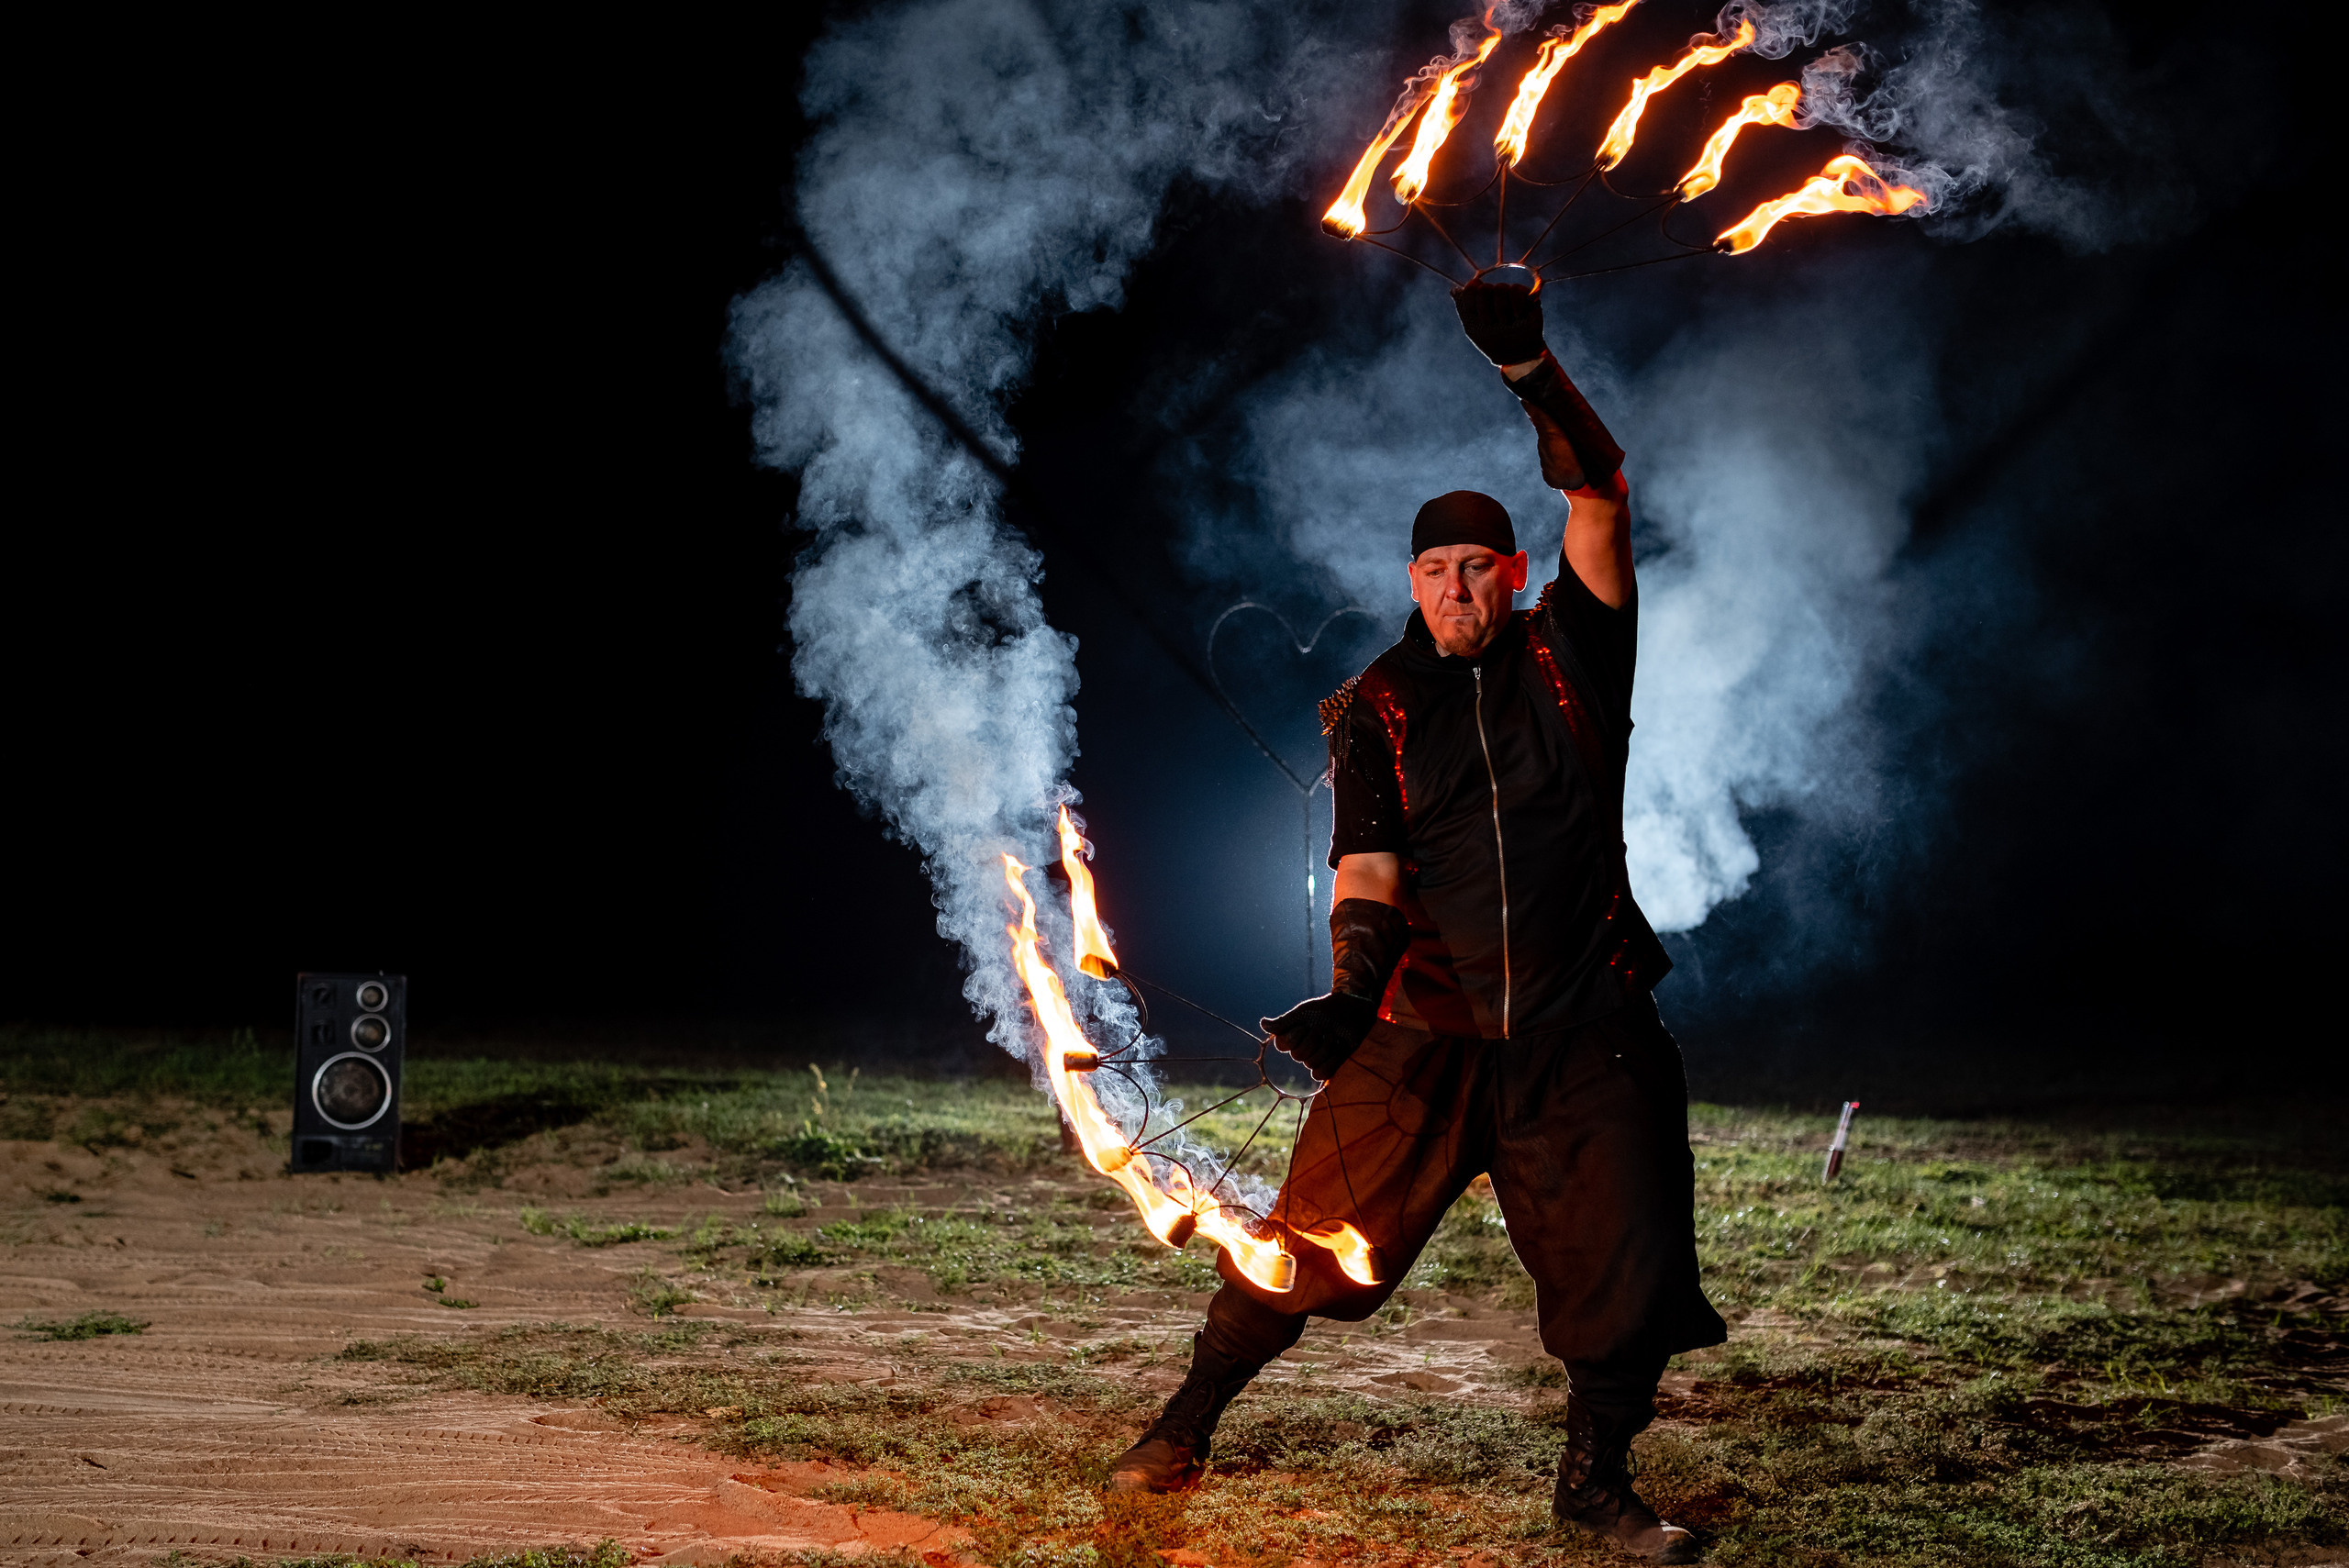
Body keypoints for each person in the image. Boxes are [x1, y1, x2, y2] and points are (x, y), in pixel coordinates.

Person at [1105, 281, 1724, 1565]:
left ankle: (1596, 1488)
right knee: (1299, 1252)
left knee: (1624, 1267)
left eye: (1478, 568)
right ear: (1412, 582)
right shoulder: (1379, 704)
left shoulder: (1574, 654)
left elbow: (1602, 493)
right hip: (1422, 1034)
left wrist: (1530, 367)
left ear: (1516, 572)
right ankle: (1184, 1424)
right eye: (1436, 573)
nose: (1458, 591)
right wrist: (1351, 990)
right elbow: (1371, 866)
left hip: (1583, 1027)